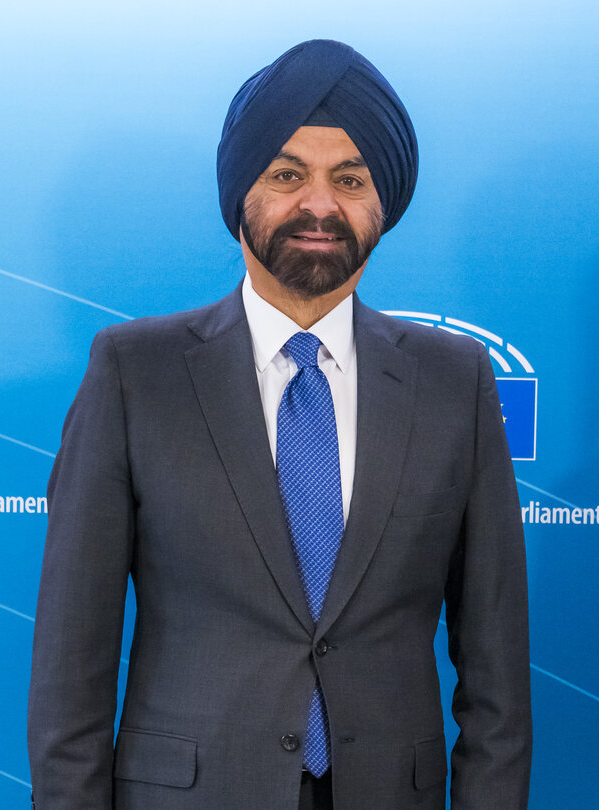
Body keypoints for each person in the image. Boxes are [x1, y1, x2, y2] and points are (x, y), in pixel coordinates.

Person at [28, 40, 531, 810]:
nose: (320, 205)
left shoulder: (453, 380)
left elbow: (495, 670)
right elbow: (72, 660)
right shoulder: (136, 372)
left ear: (382, 203)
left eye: (351, 179)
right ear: (241, 196)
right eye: (287, 174)